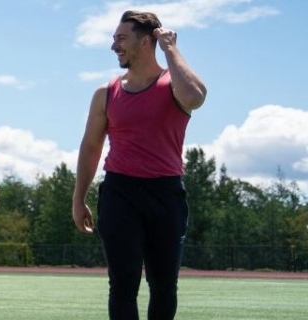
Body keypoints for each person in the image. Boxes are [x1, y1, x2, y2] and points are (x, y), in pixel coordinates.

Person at [72, 10, 207, 320]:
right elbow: (91, 146)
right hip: (120, 193)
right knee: (122, 284)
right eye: (113, 39)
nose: (113, 46)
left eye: (121, 38)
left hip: (166, 194)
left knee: (163, 286)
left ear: (147, 42)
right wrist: (79, 198)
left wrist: (170, 47)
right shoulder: (106, 93)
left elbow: (196, 98)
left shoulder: (174, 85)